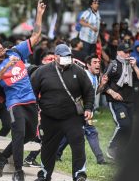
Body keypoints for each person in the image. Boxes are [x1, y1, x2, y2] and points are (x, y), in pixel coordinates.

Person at [0, 1, 46, 181]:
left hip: (30, 101)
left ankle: (3, 156)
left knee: (28, 136)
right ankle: (18, 171)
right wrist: (6, 67)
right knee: (18, 134)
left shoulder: (15, 52)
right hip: (14, 104)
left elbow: (36, 36)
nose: (0, 46)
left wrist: (39, 13)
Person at [32, 44, 95, 181]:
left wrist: (89, 108)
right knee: (48, 147)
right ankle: (44, 174)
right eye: (64, 56)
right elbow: (32, 93)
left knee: (78, 144)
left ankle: (79, 174)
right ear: (56, 57)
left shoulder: (78, 71)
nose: (67, 58)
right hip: (49, 117)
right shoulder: (42, 72)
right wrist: (36, 111)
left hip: (72, 117)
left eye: (69, 56)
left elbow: (89, 91)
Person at [56, 54, 108, 165]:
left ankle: (56, 154)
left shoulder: (94, 77)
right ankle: (100, 159)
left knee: (70, 134)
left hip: (84, 111)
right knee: (91, 132)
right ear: (88, 65)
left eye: (99, 62)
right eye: (95, 62)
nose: (98, 64)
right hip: (80, 111)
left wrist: (102, 85)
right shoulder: (84, 76)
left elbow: (93, 93)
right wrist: (84, 110)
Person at [103, 43, 139, 160]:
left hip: (129, 100)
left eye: (129, 52)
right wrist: (112, 93)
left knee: (130, 128)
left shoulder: (131, 65)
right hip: (115, 101)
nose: (128, 54)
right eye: (125, 52)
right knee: (123, 124)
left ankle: (121, 151)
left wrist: (135, 67)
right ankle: (111, 147)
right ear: (118, 52)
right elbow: (103, 83)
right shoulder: (113, 65)